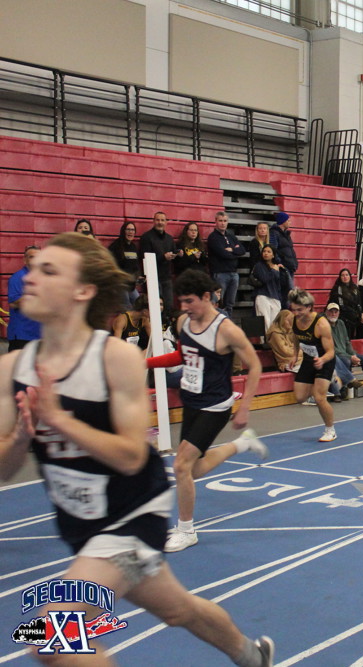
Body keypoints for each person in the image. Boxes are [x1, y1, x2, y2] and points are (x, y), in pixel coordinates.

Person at [0, 233, 274, 666]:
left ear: (83, 291)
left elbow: (131, 455)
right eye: (32, 268)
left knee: (52, 638)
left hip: (131, 515)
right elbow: (3, 470)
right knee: (178, 610)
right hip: (81, 523)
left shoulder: (112, 358)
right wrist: (20, 438)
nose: (30, 278)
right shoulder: (12, 368)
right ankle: (254, 656)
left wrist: (59, 419)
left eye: (48, 270)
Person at [162, 269, 265, 553]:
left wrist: (244, 408)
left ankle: (186, 530)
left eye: (190, 301)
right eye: (181, 301)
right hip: (191, 402)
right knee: (193, 471)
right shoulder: (183, 321)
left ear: (207, 297)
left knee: (180, 466)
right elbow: (186, 355)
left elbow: (255, 365)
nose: (184, 307)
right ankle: (241, 445)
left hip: (215, 406)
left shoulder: (227, 330)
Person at [287, 288, 339, 442]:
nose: (296, 313)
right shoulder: (292, 319)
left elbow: (331, 352)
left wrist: (322, 360)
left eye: (300, 310)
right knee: (300, 397)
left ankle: (330, 430)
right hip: (309, 360)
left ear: (309, 307)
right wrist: (295, 355)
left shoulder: (321, 324)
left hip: (325, 361)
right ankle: (324, 384)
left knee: (319, 397)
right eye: (294, 309)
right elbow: (296, 337)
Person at [324, 302, 363, 399]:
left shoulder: (341, 323)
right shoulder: (324, 325)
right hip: (334, 354)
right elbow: (330, 348)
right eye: (331, 311)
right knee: (346, 360)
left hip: (346, 353)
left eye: (335, 312)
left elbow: (347, 342)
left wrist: (353, 354)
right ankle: (342, 390)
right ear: (326, 312)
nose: (333, 314)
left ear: (339, 313)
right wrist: (350, 357)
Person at [207, 211, 246, 317]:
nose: (223, 223)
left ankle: (227, 323)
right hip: (220, 273)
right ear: (215, 221)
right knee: (218, 301)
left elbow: (242, 250)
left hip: (233, 273)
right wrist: (235, 252)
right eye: (220, 221)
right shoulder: (213, 237)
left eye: (225, 221)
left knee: (230, 303)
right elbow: (223, 254)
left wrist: (231, 250)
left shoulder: (231, 236)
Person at [5, 245, 42, 351]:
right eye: (32, 257)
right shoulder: (17, 277)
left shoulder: (43, 277)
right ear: (25, 260)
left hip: (39, 334)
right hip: (22, 335)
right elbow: (13, 302)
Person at [139, 211, 178, 308]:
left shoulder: (169, 238)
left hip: (167, 277)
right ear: (153, 221)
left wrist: (178, 254)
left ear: (166, 222)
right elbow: (145, 258)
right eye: (157, 220)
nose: (160, 222)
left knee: (169, 305)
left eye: (162, 220)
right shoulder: (146, 237)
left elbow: (174, 253)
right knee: (156, 306)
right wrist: (163, 257)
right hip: (152, 277)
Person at [249, 244, 291, 328]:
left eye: (269, 252)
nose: (266, 253)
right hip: (263, 296)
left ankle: (273, 337)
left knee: (275, 324)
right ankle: (265, 337)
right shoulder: (259, 266)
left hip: (275, 297)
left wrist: (282, 271)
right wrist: (274, 271)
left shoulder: (276, 266)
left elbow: (282, 283)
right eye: (264, 251)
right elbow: (265, 279)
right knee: (265, 322)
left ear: (273, 255)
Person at [107, 221, 142, 307]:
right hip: (120, 285)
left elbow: (135, 266)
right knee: (127, 307)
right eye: (128, 229)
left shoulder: (133, 247)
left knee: (139, 304)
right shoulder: (115, 246)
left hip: (131, 285)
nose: (130, 232)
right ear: (123, 231)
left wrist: (138, 277)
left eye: (132, 230)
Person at [327, 267, 363, 338]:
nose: (345, 277)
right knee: (351, 317)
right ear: (340, 277)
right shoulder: (338, 288)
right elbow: (341, 305)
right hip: (341, 312)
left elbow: (359, 302)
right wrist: (355, 313)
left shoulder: (354, 287)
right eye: (343, 275)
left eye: (347, 275)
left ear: (350, 276)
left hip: (354, 312)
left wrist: (360, 313)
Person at [270, 211, 298, 287]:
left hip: (289, 266)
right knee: (287, 290)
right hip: (283, 267)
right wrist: (279, 262)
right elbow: (273, 249)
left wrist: (294, 263)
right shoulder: (274, 233)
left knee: (290, 289)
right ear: (283, 221)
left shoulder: (286, 234)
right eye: (288, 220)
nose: (290, 222)